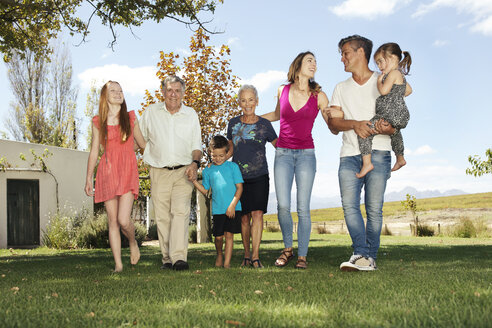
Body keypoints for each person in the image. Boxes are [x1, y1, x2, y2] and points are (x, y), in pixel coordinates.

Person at [325, 35, 411, 271]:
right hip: (349, 154)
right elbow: (334, 125)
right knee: (349, 206)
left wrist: (392, 127)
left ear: (361, 52)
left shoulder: (385, 79)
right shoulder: (340, 88)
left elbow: (398, 111)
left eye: (346, 53)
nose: (342, 58)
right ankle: (362, 254)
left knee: (374, 209)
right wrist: (355, 124)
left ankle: (368, 258)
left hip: (380, 152)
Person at [263, 52, 330, 269]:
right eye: (310, 60)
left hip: (306, 156)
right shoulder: (283, 89)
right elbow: (276, 115)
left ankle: (302, 255)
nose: (314, 64)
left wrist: (339, 117)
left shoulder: (319, 96)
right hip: (282, 153)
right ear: (299, 64)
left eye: (315, 62)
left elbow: (331, 122)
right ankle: (287, 249)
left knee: (303, 207)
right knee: (283, 205)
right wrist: (251, 119)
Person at [139, 75, 202, 271]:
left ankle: (179, 258)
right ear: (163, 92)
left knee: (180, 213)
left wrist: (195, 163)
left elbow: (196, 146)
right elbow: (137, 135)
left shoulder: (191, 114)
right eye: (169, 90)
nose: (173, 94)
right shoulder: (151, 112)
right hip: (158, 171)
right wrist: (147, 153)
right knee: (163, 217)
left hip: (184, 171)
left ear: (183, 93)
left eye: (177, 90)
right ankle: (166, 258)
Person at [85, 80, 146, 272]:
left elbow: (142, 145)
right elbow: (94, 151)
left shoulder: (131, 118)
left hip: (127, 172)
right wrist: (88, 178)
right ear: (105, 96)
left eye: (120, 90)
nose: (118, 93)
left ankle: (133, 242)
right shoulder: (98, 122)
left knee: (123, 220)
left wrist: (128, 152)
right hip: (107, 172)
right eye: (113, 90)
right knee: (112, 221)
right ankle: (118, 265)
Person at [226, 85, 278, 269]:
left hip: (260, 175)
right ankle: (246, 255)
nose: (247, 104)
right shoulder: (233, 123)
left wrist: (294, 141)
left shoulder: (265, 124)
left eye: (250, 100)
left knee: (257, 214)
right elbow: (231, 149)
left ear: (256, 101)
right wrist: (218, 161)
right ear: (239, 102)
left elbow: (278, 144)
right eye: (243, 100)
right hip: (238, 177)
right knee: (244, 218)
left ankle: (256, 256)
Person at [354, 42, 412, 178]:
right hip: (401, 115)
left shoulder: (392, 74)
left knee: (364, 132)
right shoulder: (400, 75)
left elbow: (384, 91)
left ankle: (367, 163)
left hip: (389, 113)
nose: (379, 67)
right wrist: (397, 95)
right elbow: (408, 90)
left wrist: (380, 81)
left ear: (392, 58)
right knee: (395, 133)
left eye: (380, 62)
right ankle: (400, 158)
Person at [193, 135, 243, 268]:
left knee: (229, 236)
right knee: (219, 237)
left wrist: (232, 205)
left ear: (227, 153)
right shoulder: (208, 170)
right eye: (215, 156)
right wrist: (193, 181)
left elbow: (239, 188)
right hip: (218, 209)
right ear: (210, 153)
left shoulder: (233, 167)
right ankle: (219, 254)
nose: (218, 159)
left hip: (233, 208)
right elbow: (206, 191)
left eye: (221, 155)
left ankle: (227, 263)